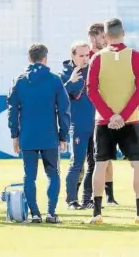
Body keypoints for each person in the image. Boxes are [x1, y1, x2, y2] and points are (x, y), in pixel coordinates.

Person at [86, 18, 139, 225]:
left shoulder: (97, 59)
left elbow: (91, 90)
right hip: (130, 120)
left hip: (104, 122)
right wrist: (122, 115)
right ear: (123, 32)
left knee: (100, 164)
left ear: (105, 36)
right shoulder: (137, 57)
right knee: (137, 164)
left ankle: (96, 213)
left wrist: (109, 115)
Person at [7, 43, 71, 224]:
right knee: (53, 174)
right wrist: (63, 135)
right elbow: (64, 110)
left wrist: (15, 134)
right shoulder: (54, 80)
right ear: (45, 58)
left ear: (29, 59)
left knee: (29, 175)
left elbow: (12, 110)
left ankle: (35, 213)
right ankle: (51, 213)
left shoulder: (19, 80)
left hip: (27, 135)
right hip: (49, 135)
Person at [86, 22, 117, 207]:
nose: (104, 41)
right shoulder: (88, 57)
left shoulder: (109, 57)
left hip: (104, 115)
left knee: (106, 157)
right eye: (101, 37)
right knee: (88, 159)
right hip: (88, 117)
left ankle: (110, 196)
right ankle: (83, 196)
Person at [60, 41, 94, 210]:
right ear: (72, 56)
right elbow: (59, 98)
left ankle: (88, 198)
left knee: (94, 162)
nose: (85, 59)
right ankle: (71, 200)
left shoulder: (94, 70)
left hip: (96, 122)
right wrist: (71, 82)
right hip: (78, 124)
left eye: (87, 55)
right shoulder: (65, 74)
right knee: (77, 163)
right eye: (81, 55)